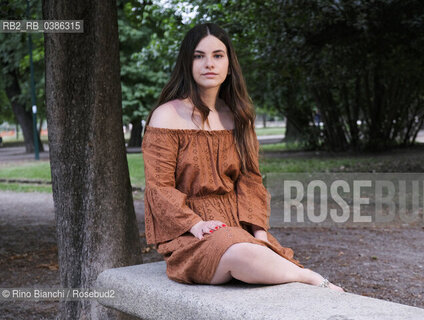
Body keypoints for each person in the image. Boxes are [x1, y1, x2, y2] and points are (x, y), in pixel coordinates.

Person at [142, 23, 344, 292]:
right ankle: (310, 278)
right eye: (198, 56)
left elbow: (250, 181)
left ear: (229, 63)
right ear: (187, 63)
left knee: (252, 248)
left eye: (218, 55)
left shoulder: (238, 117)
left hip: (238, 225)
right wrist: (196, 223)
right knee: (241, 253)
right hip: (192, 234)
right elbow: (159, 187)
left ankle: (293, 271)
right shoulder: (167, 115)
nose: (209, 64)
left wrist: (259, 230)